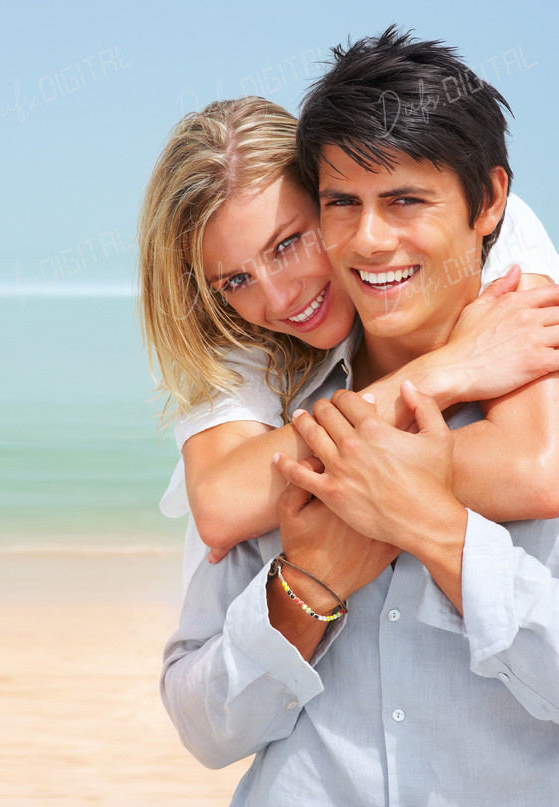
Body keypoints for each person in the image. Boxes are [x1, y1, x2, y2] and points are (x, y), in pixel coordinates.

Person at [159, 28, 559, 805]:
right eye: (341, 203)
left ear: (489, 203)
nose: (370, 240)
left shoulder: (539, 382)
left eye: (405, 200)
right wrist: (305, 588)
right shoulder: (276, 426)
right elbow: (203, 728)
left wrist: (437, 529)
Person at [139, 96, 559, 589]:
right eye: (234, 280)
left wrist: (329, 492)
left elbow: (533, 469)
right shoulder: (248, 335)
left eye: (288, 243)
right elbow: (221, 504)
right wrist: (445, 371)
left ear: (333, 198)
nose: (278, 299)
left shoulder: (480, 219)